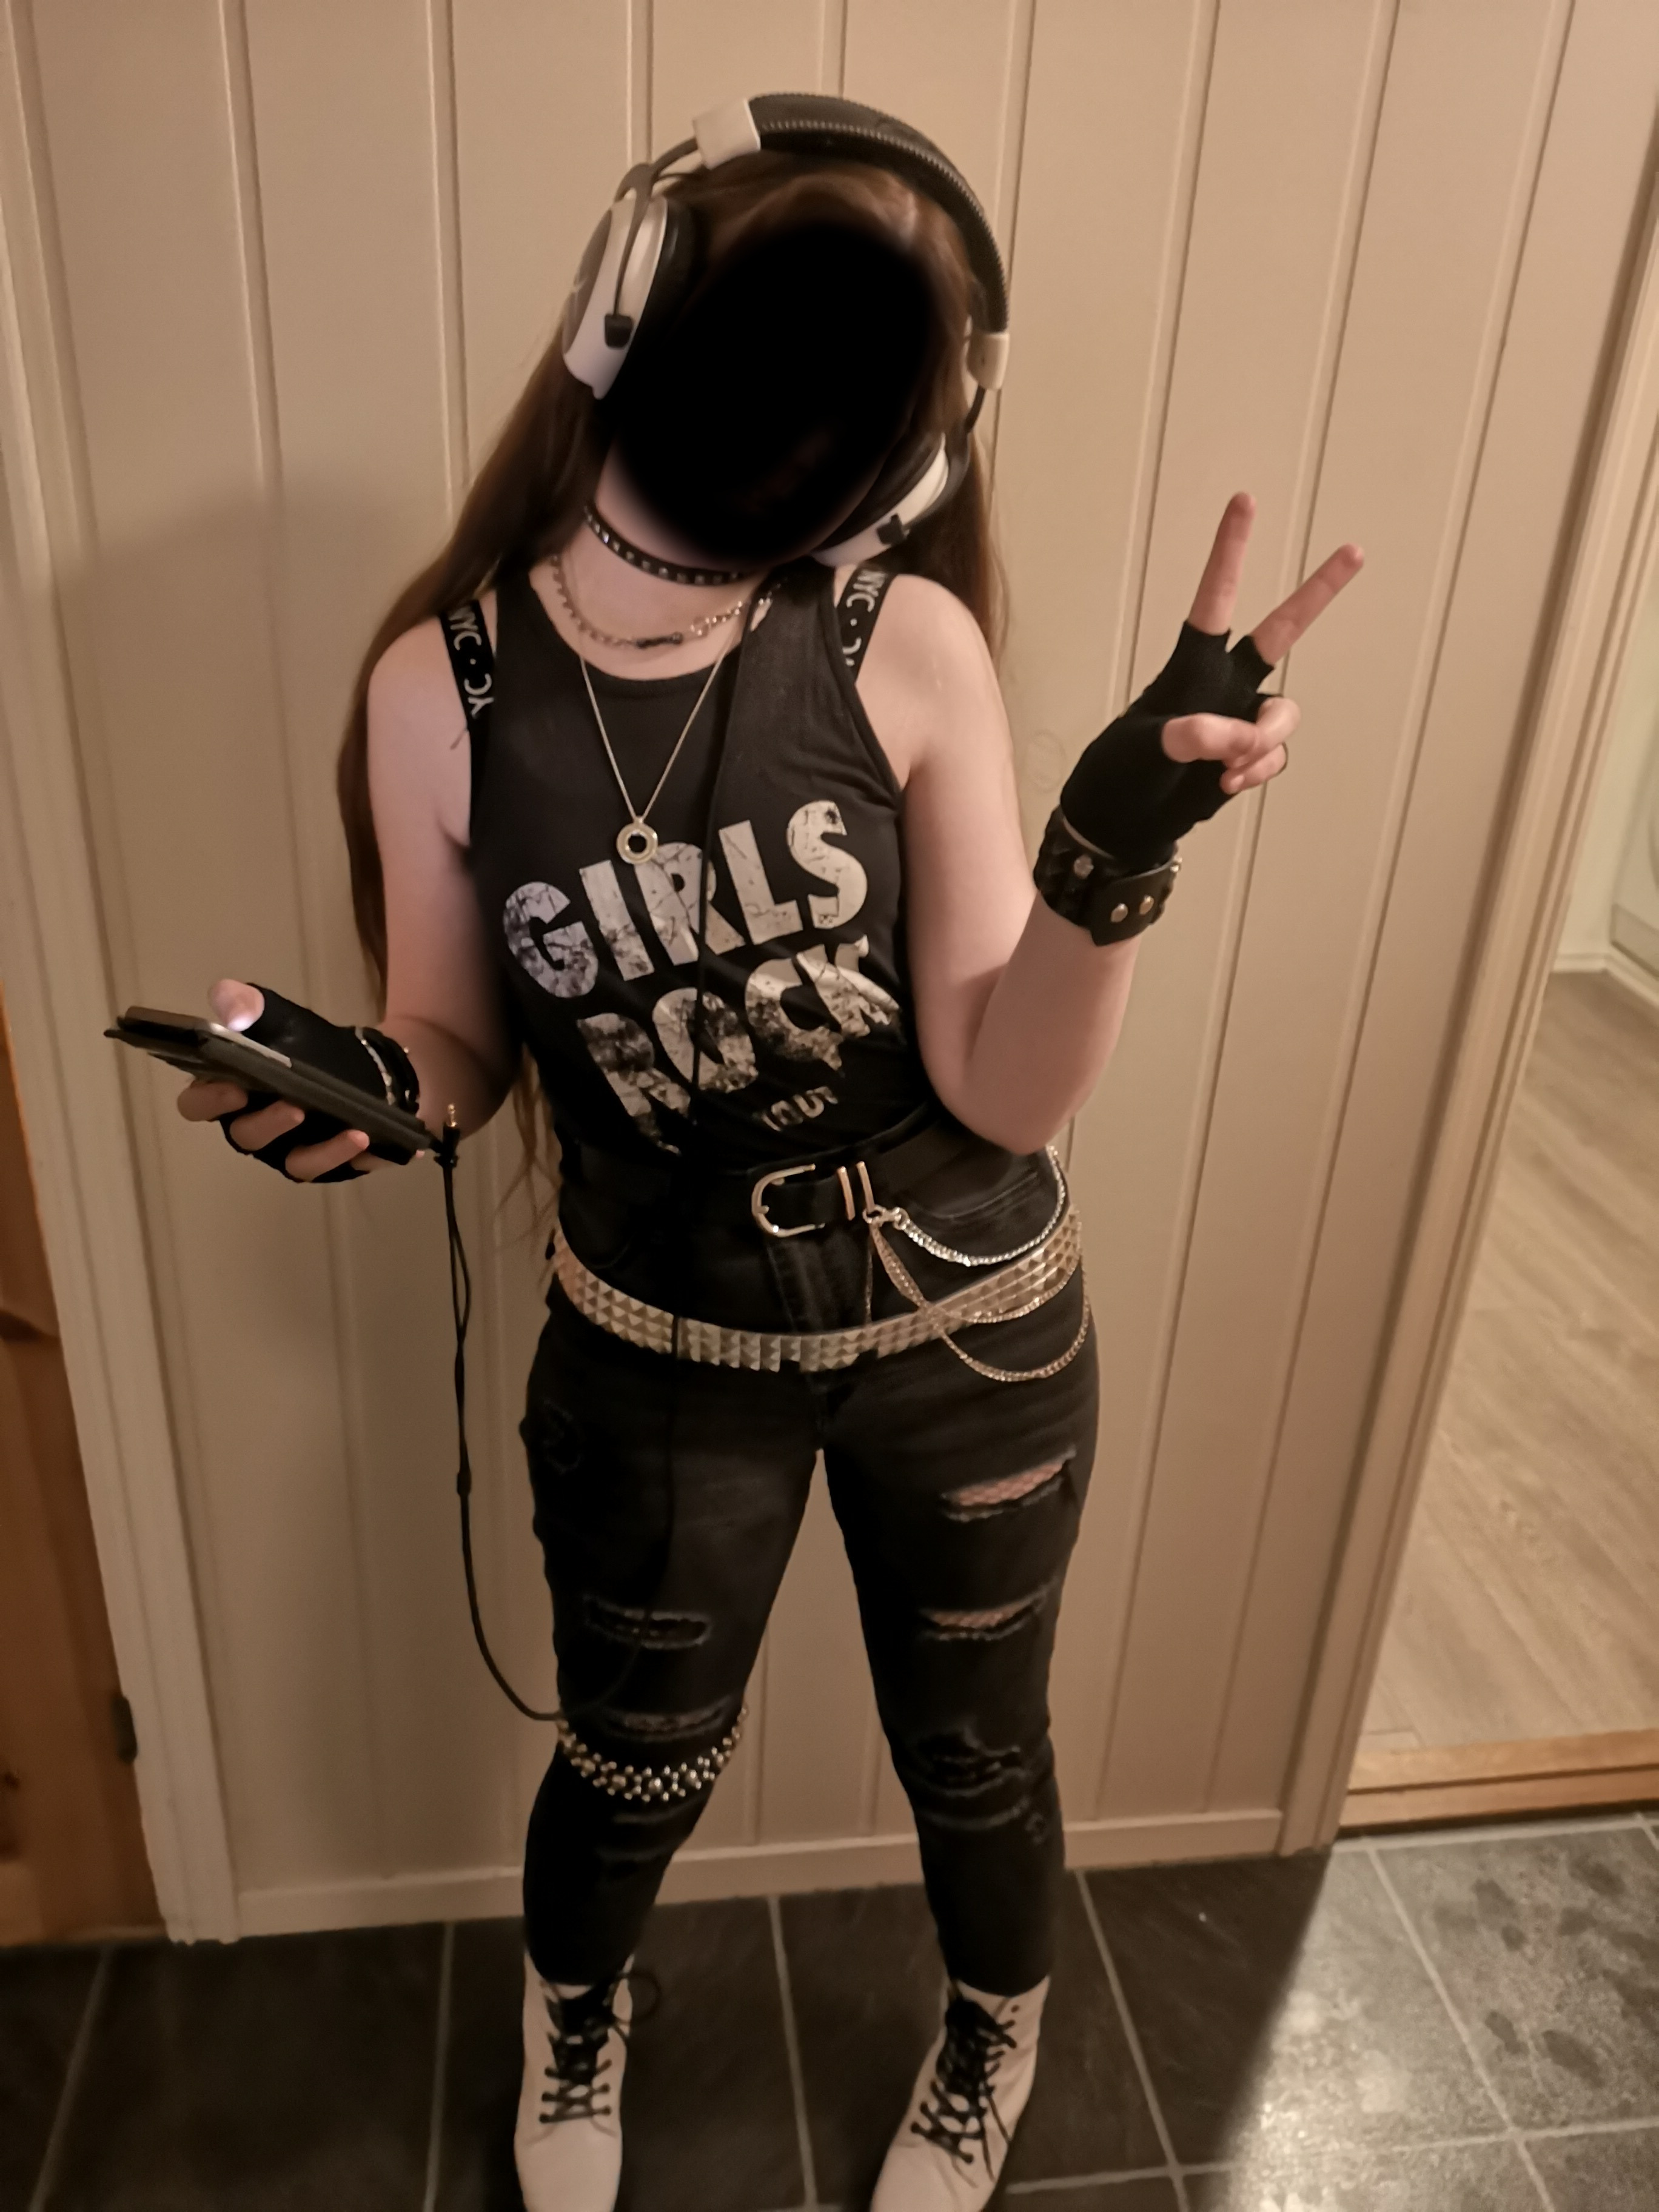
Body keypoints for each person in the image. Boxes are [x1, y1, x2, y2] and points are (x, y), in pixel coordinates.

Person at [173, 96, 1359, 2212]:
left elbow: (1004, 1085)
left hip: (966, 1330)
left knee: (976, 1755)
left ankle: (995, 2035)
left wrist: (1108, 856)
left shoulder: (903, 643)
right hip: (656, 1348)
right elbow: (455, 1040)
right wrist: (365, 1093)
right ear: (633, 318)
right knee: (634, 1758)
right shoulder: (440, 692)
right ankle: (575, 2014)